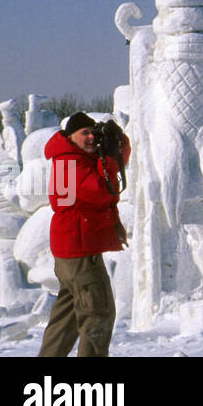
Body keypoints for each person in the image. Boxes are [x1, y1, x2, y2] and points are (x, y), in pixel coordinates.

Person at [38, 112, 130, 357]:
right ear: (71, 136)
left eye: (93, 132)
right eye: (84, 133)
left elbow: (88, 193)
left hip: (70, 251)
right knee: (98, 315)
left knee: (66, 319)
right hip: (80, 251)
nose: (91, 137)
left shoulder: (66, 159)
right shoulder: (72, 163)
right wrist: (110, 155)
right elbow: (103, 191)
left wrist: (118, 145)